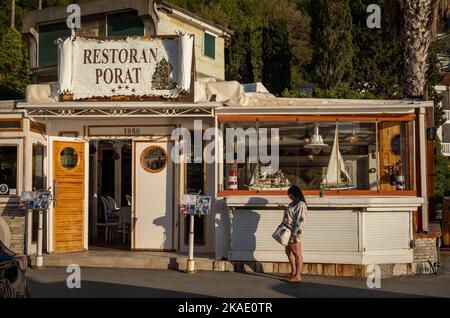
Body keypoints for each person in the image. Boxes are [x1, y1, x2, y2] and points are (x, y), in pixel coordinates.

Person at [280, 185, 307, 283]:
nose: (290, 198)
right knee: (288, 252)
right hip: (287, 232)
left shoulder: (301, 205)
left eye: (291, 196)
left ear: (295, 194)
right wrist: (285, 208)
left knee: (297, 254)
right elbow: (292, 215)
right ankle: (293, 272)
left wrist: (296, 235)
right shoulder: (293, 203)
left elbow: (301, 221)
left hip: (294, 233)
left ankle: (298, 276)